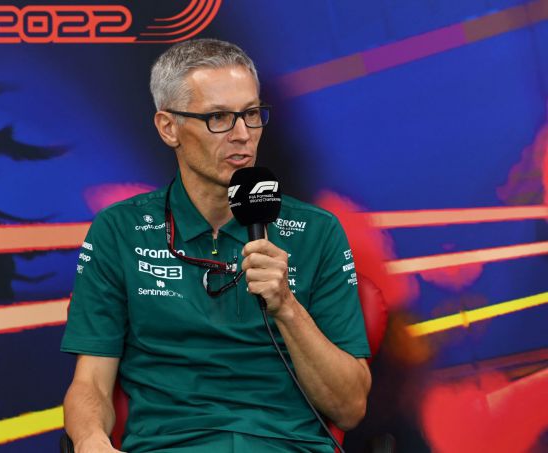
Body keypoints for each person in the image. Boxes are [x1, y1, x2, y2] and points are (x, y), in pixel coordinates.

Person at [61, 39, 371, 453]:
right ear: (168, 127)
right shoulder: (119, 230)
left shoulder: (317, 231)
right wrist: (90, 439)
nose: (243, 135)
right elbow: (90, 384)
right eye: (218, 118)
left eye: (251, 115)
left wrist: (286, 306)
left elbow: (350, 408)